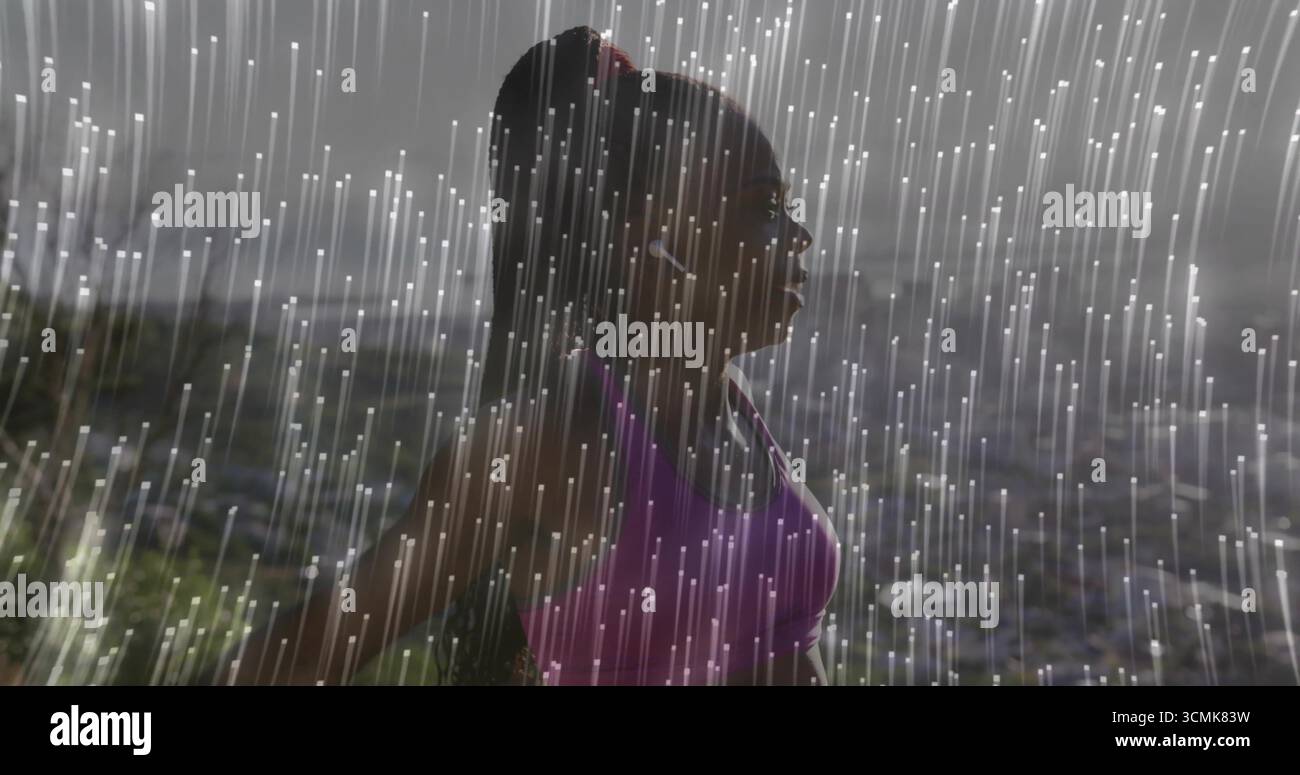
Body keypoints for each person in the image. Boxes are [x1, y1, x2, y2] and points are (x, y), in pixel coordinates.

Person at [225, 25, 838, 686]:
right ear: (653, 234)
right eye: (764, 206)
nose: (799, 236)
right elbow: (317, 646)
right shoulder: (550, 442)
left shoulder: (735, 410)